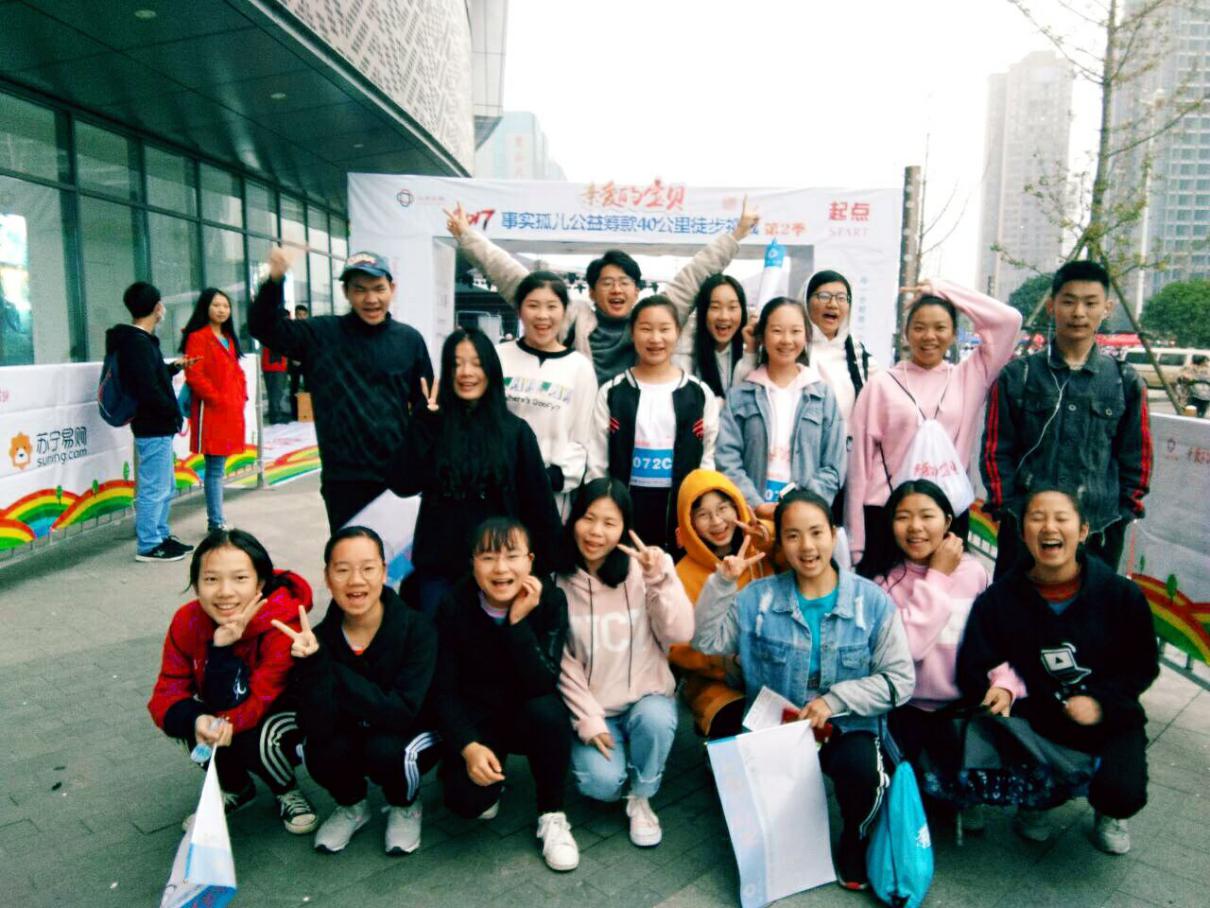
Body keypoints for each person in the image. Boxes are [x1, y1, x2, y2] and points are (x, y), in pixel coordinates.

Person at [693, 488, 914, 891]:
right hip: (777, 726)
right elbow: (707, 641)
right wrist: (722, 582)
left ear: (834, 534)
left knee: (862, 772)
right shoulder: (756, 599)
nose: (807, 546)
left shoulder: (871, 602)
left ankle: (854, 839)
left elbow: (899, 680)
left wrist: (835, 700)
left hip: (845, 725)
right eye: (793, 535)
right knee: (762, 822)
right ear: (780, 543)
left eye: (816, 532)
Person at [957, 487, 1159, 855]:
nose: (1049, 527)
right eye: (1037, 518)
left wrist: (1100, 703)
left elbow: (1142, 666)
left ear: (1083, 531)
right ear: (1022, 533)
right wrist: (1000, 686)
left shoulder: (1121, 596)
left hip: (1108, 717)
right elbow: (976, 661)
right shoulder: (999, 600)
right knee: (979, 733)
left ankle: (1108, 812)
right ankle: (1036, 800)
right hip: (1036, 717)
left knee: (1121, 792)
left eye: (1061, 518)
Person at [445, 200, 760, 384]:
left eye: (625, 282)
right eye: (607, 283)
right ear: (592, 293)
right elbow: (516, 280)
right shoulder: (574, 317)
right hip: (581, 421)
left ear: (637, 290)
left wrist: (736, 235)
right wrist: (468, 238)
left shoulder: (652, 319)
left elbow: (693, 275)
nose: (616, 289)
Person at [273, 526, 440, 855]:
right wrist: (313, 666)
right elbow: (315, 724)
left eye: (367, 568)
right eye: (342, 570)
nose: (355, 581)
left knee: (387, 749)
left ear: (384, 572)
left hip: (410, 732)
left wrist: (331, 670)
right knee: (319, 749)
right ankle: (352, 806)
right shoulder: (316, 640)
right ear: (327, 576)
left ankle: (405, 804)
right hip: (354, 729)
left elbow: (401, 712)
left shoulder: (417, 628)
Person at [870, 479, 1024, 829]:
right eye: (903, 517)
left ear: (948, 522)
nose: (915, 527)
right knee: (907, 800)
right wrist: (937, 576)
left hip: (963, 705)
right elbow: (909, 649)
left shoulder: (974, 572)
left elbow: (998, 637)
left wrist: (1005, 683)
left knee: (961, 788)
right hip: (906, 707)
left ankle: (966, 791)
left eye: (927, 516)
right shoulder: (884, 582)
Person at [981, 261, 1151, 576]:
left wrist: (1121, 515)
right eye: (1069, 301)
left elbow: (1137, 459)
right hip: (1025, 530)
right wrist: (1011, 510)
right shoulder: (1018, 376)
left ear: (1107, 308)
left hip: (1099, 530)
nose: (1078, 313)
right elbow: (995, 450)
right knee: (1017, 606)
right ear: (1052, 306)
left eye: (1090, 303)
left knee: (1093, 608)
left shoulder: (1124, 381)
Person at [431, 517, 580, 872]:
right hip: (479, 720)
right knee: (466, 803)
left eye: (512, 556)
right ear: (472, 562)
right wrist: (468, 746)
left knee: (549, 712)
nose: (500, 569)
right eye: (487, 557)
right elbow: (442, 689)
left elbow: (544, 681)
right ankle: (490, 782)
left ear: (530, 560)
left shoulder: (550, 600)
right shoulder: (454, 605)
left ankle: (552, 814)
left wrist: (518, 623)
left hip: (527, 714)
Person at [248, 248, 433, 532]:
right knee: (350, 556)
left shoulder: (409, 340)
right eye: (360, 290)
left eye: (378, 288)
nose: (371, 299)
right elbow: (262, 327)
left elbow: (425, 405)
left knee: (398, 556)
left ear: (392, 289)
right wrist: (274, 280)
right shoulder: (321, 334)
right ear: (346, 292)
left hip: (397, 476)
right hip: (344, 479)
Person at [147, 528, 318, 836]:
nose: (225, 592)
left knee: (256, 740)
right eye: (211, 579)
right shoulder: (187, 620)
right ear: (196, 585)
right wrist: (197, 719)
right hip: (228, 707)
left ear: (260, 583)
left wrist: (221, 724)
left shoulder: (281, 625)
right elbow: (166, 692)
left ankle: (286, 790)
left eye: (240, 578)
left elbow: (259, 699)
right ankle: (237, 788)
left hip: (279, 711)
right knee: (191, 724)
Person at [848, 278, 1022, 576]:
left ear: (954, 334)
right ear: (906, 333)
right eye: (919, 327)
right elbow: (859, 465)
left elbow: (1009, 321)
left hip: (947, 512)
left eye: (940, 327)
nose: (929, 336)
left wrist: (941, 289)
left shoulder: (970, 376)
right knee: (886, 598)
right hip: (887, 513)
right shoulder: (881, 385)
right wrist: (856, 541)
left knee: (944, 596)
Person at [555, 479, 695, 847]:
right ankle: (617, 768)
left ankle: (641, 796)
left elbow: (681, 632)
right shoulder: (558, 580)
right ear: (573, 520)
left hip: (646, 698)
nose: (596, 532)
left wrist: (659, 578)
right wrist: (587, 719)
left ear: (624, 528)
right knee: (600, 785)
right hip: (596, 706)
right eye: (588, 518)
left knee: (656, 719)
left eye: (609, 522)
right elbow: (563, 662)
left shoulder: (644, 569)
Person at [389, 328, 561, 618]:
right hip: (440, 572)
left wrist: (540, 568)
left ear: (491, 370)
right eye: (456, 364)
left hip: (499, 571)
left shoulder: (515, 433)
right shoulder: (433, 424)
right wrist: (423, 424)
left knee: (495, 646)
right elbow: (402, 483)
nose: (466, 372)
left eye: (476, 363)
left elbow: (539, 507)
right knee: (438, 643)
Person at [587, 296, 718, 552]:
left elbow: (707, 459)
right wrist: (602, 511)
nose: (655, 338)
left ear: (677, 332)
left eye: (664, 329)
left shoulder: (698, 393)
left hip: (679, 513)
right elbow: (597, 462)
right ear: (632, 333)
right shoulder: (613, 392)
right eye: (646, 329)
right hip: (623, 511)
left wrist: (699, 509)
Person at [715, 296, 847, 521]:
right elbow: (727, 459)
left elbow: (833, 466)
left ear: (806, 336)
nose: (786, 340)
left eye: (795, 331)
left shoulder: (822, 396)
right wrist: (756, 504)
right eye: (777, 331)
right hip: (752, 517)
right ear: (762, 337)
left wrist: (800, 505)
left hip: (804, 519)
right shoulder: (741, 395)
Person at [671, 468, 774, 738]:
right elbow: (677, 647)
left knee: (792, 725)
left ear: (738, 507)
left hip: (773, 673)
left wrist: (766, 532)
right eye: (703, 515)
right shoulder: (681, 574)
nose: (716, 521)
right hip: (715, 683)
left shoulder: (761, 553)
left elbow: (796, 545)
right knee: (732, 722)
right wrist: (726, 661)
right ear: (690, 522)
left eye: (723, 508)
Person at [494, 270, 599, 516]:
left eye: (552, 306)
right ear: (519, 310)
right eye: (533, 305)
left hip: (550, 494)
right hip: (498, 489)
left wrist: (554, 476)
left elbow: (584, 437)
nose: (543, 315)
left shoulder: (580, 368)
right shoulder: (498, 357)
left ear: (564, 311)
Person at [107, 281, 195, 562]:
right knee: (154, 487)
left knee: (164, 485)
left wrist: (173, 368)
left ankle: (160, 534)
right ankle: (149, 544)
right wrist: (171, 410)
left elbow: (149, 378)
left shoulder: (139, 342)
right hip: (153, 424)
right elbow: (147, 388)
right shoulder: (137, 343)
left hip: (157, 424)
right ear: (157, 308)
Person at [802, 270, 879, 524]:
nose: (833, 304)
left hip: (847, 466)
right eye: (824, 296)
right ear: (806, 301)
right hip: (802, 463)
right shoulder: (793, 348)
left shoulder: (859, 357)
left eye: (841, 298)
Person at [180, 288, 247, 533]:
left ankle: (217, 520)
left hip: (230, 409)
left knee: (219, 467)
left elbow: (235, 370)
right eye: (216, 305)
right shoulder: (198, 337)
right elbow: (194, 375)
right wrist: (216, 398)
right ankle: (216, 521)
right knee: (215, 468)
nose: (222, 310)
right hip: (212, 411)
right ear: (205, 307)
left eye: (226, 306)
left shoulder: (228, 337)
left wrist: (241, 394)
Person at [675, 274, 755, 401]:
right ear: (703, 311)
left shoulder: (751, 350)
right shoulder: (688, 351)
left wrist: (751, 351)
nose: (724, 316)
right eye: (715, 307)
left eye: (732, 307)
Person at [261, 343, 291, 425]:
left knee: (275, 392)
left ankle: (275, 414)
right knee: (276, 392)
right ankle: (276, 417)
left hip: (275, 366)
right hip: (274, 366)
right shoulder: (273, 337)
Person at [288, 304, 308, 420]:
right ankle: (295, 414)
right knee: (294, 388)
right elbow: (289, 345)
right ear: (295, 315)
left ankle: (307, 412)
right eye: (299, 315)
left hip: (307, 362)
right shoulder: (292, 328)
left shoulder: (309, 327)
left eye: (303, 315)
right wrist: (294, 358)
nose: (301, 317)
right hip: (295, 362)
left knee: (308, 387)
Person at [1178, 354, 1210, 418]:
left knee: (1202, 410)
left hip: (1206, 395)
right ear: (1201, 361)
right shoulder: (1189, 368)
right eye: (1205, 361)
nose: (1207, 362)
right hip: (1192, 394)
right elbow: (1182, 377)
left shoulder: (1207, 369)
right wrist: (1188, 379)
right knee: (1190, 411)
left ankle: (1199, 416)